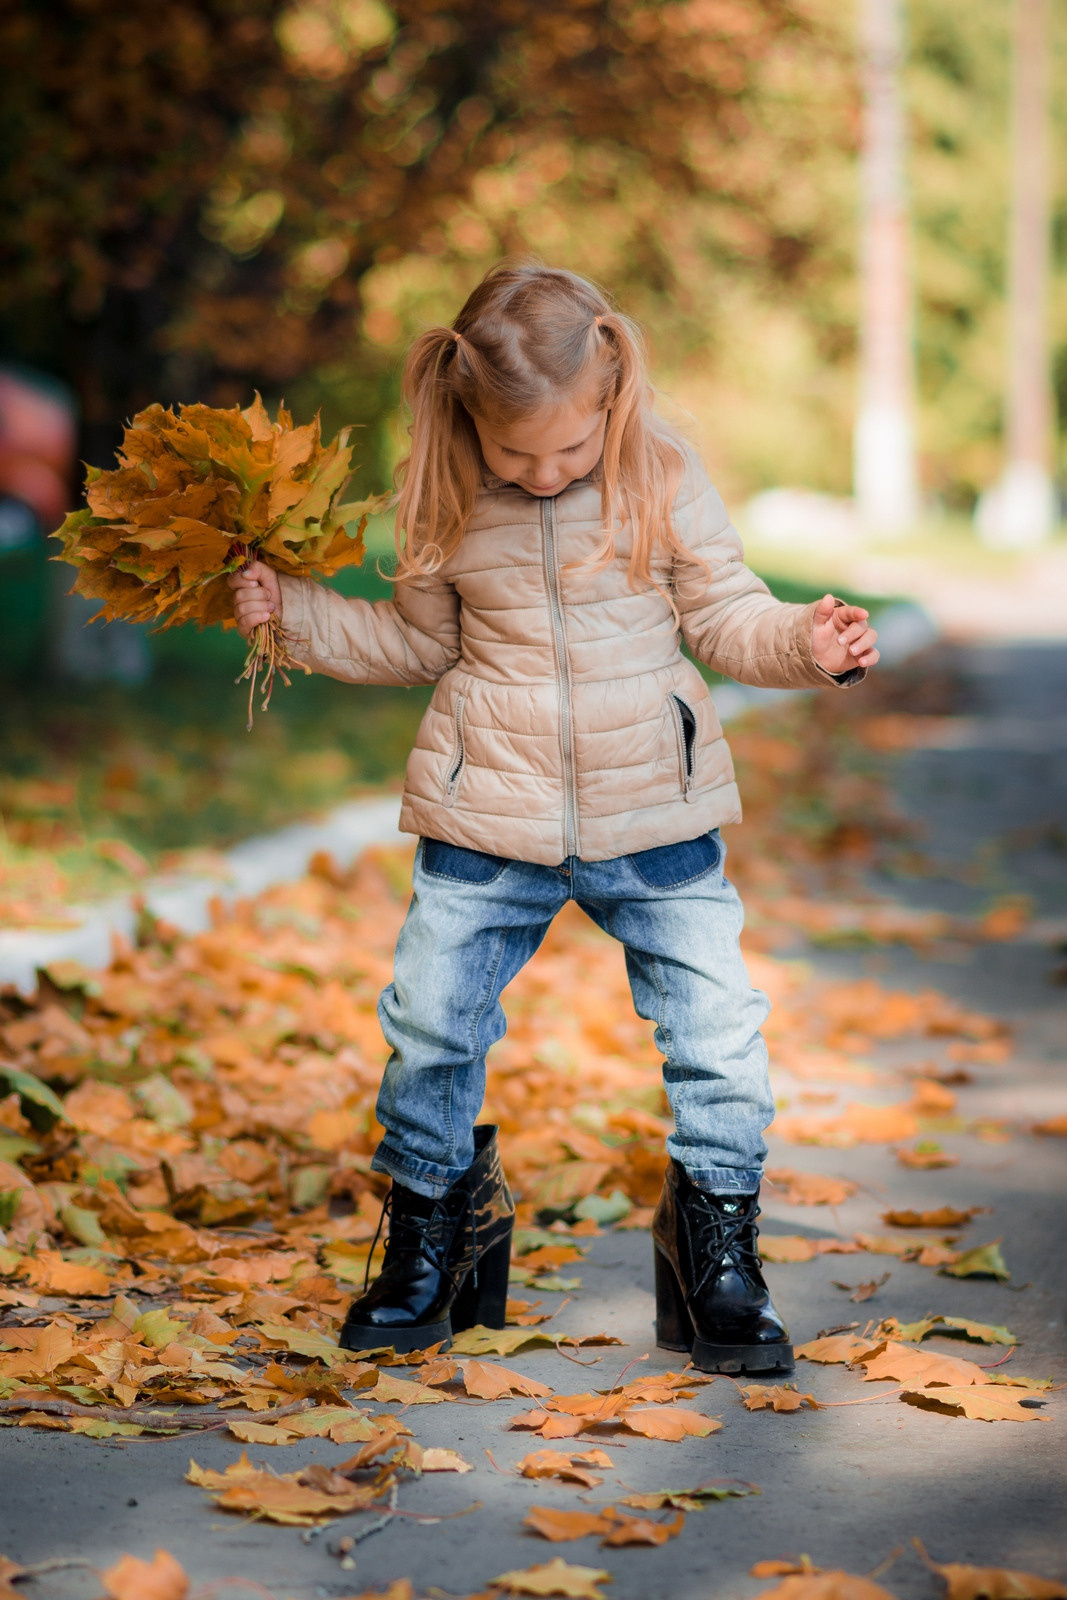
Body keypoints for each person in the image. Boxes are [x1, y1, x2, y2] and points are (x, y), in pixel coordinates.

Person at [228, 262, 879, 1373]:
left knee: (718, 1033)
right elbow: (418, 644)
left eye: (568, 451)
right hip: (484, 818)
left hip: (655, 819)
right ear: (466, 416)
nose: (541, 473)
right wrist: (290, 616)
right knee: (431, 1025)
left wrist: (805, 649)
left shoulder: (660, 473)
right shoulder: (442, 491)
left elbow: (724, 615)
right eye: (514, 454)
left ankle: (713, 1239)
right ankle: (436, 1226)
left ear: (611, 398)